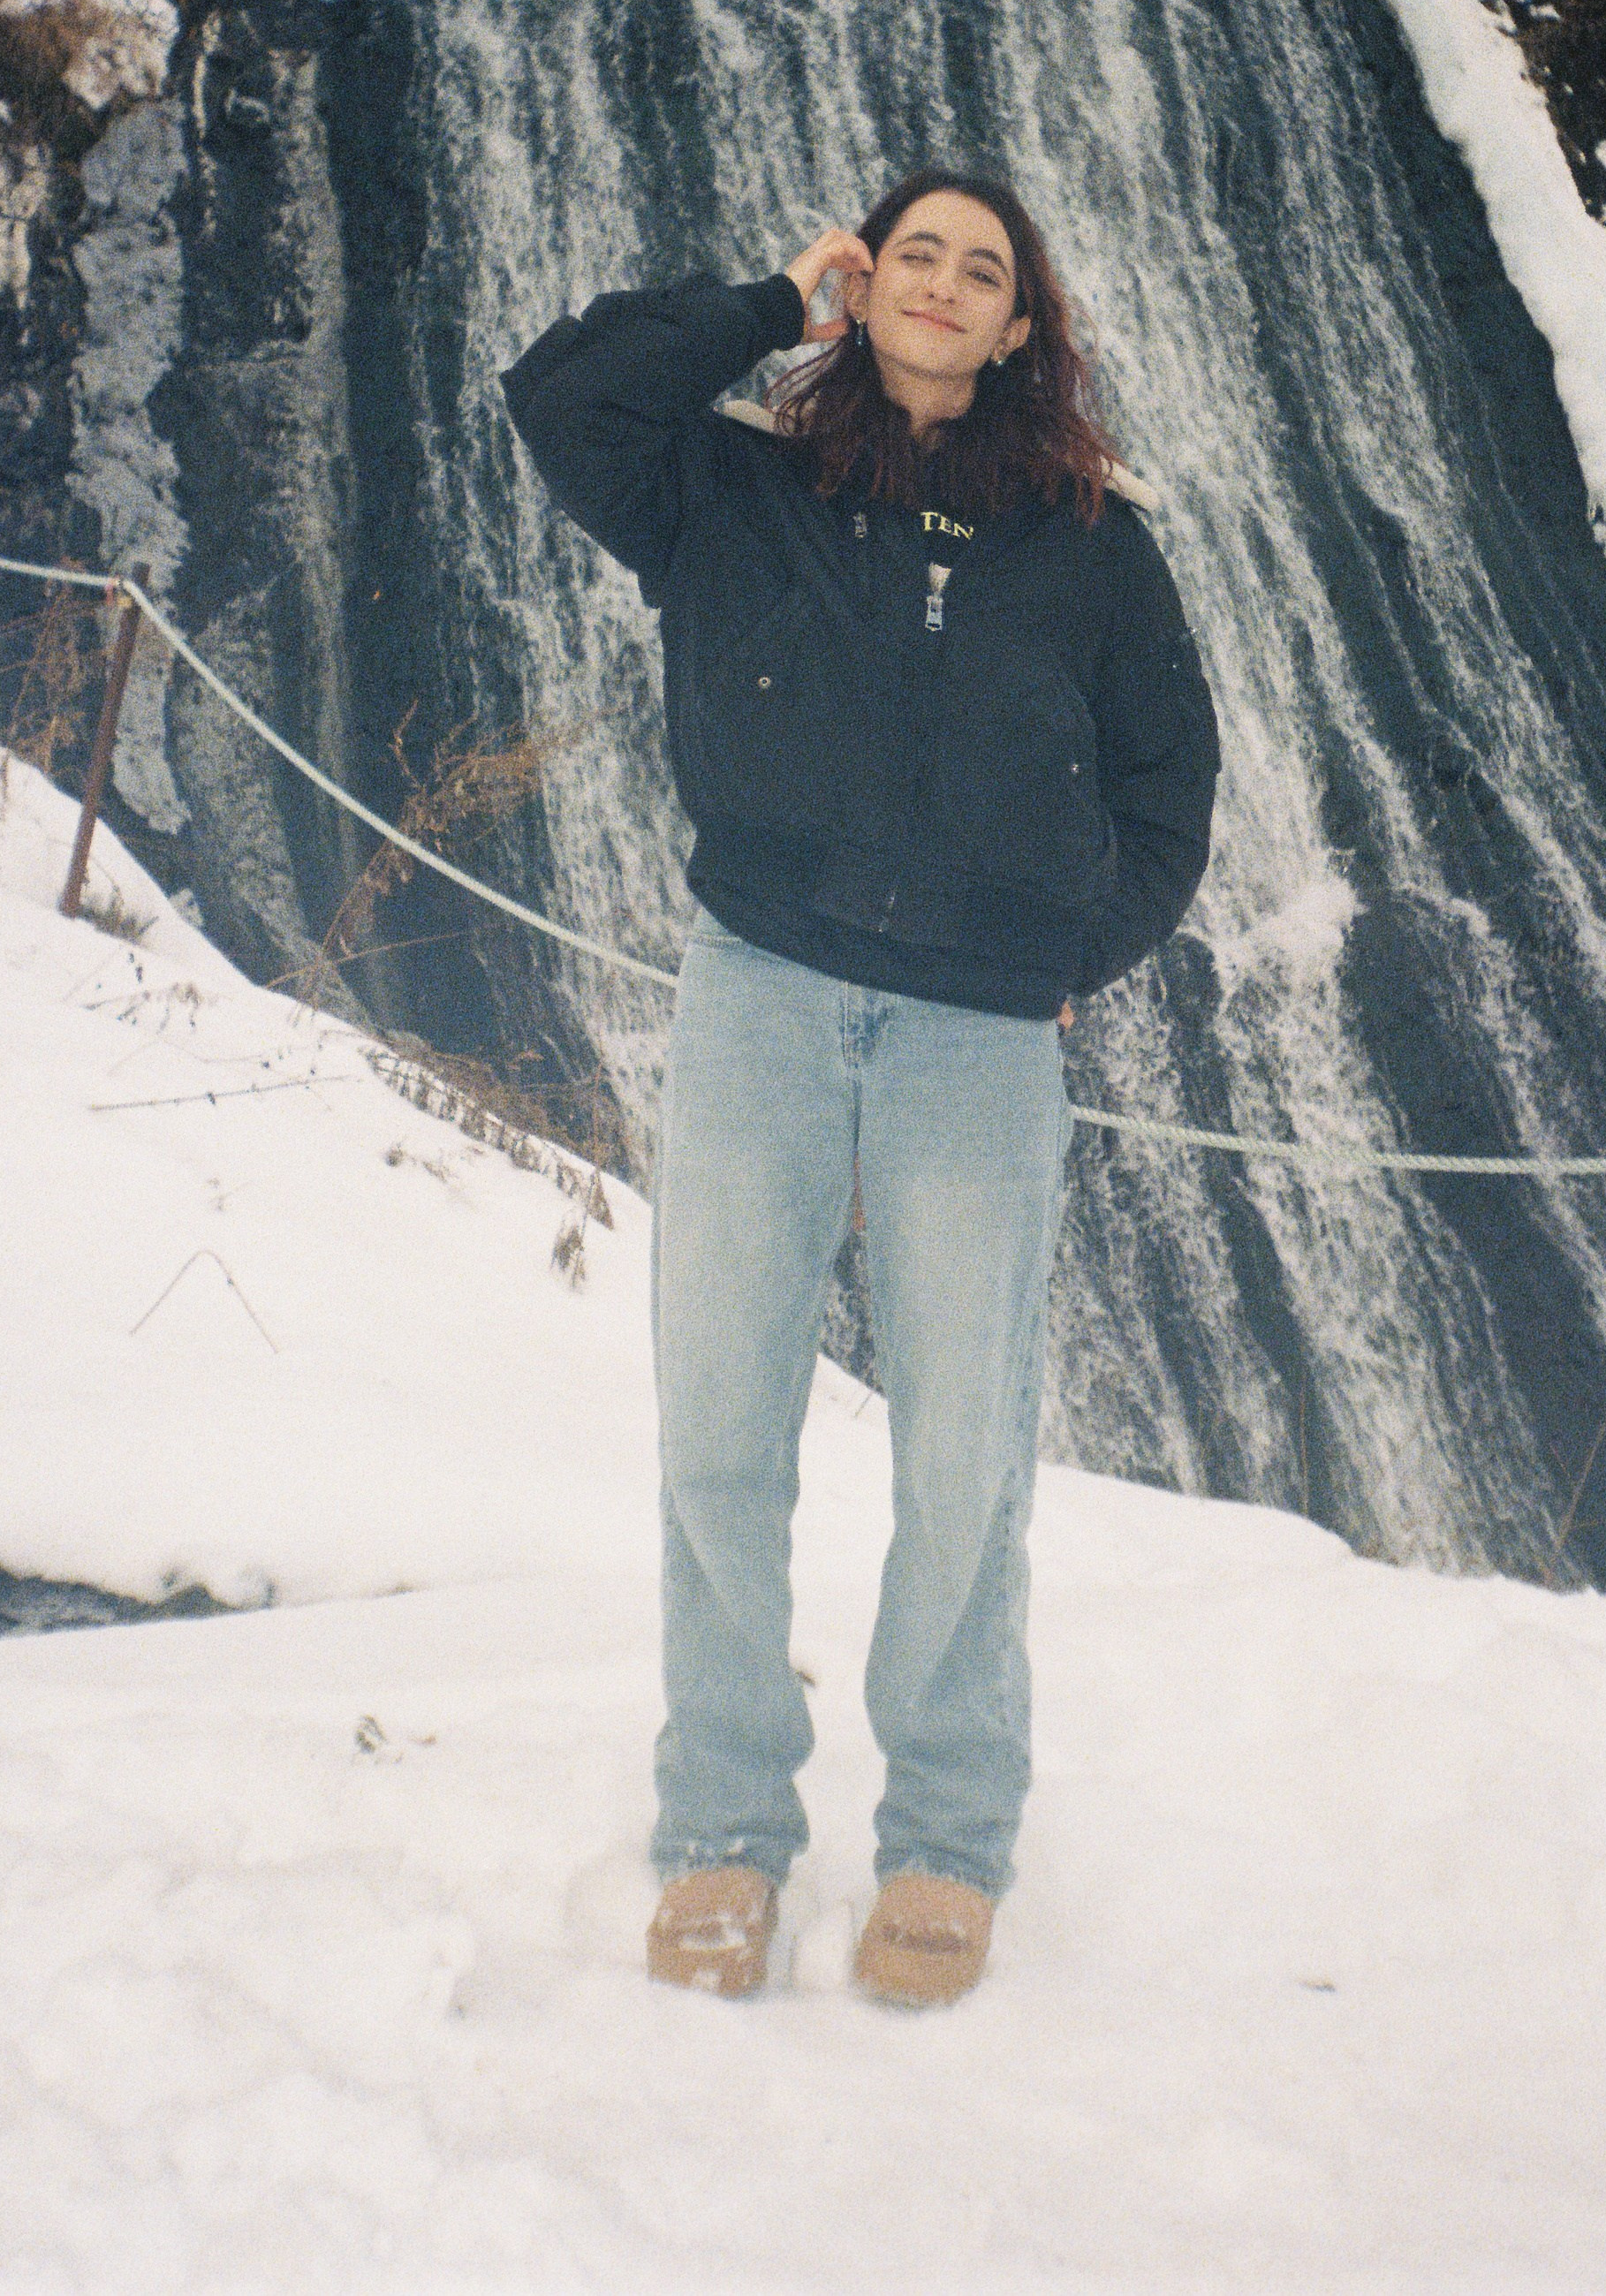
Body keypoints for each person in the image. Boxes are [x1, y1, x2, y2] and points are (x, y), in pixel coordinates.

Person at [501, 170, 1219, 2006]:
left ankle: (948, 1842)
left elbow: (1168, 784)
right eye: (916, 253)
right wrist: (766, 299)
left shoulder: (1089, 541)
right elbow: (559, 394)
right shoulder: (733, 482)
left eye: (984, 272)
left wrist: (1068, 955)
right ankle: (726, 1825)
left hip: (980, 1036)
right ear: (869, 279)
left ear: (1015, 326)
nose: (945, 286)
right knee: (718, 1431)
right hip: (760, 991)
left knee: (963, 1454)